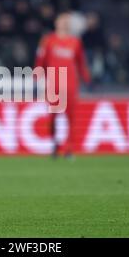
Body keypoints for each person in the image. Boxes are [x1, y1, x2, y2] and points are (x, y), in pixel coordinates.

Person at [35, 12, 90, 159]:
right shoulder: (48, 40)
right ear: (56, 23)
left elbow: (81, 63)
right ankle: (55, 143)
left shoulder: (75, 42)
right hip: (54, 85)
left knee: (71, 118)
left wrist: (87, 78)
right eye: (62, 21)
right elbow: (41, 60)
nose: (64, 23)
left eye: (67, 21)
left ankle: (69, 149)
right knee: (52, 117)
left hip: (71, 85)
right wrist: (37, 74)